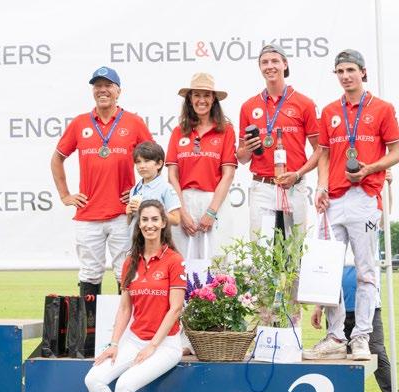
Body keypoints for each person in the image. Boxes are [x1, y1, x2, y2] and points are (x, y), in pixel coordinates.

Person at [75, 200, 186, 392]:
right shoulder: (130, 261)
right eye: (144, 219)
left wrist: (153, 346)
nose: (149, 224)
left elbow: (175, 309)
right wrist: (114, 344)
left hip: (166, 344)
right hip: (134, 340)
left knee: (125, 385)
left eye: (154, 219)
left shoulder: (174, 260)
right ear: (139, 224)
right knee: (94, 379)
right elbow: (125, 308)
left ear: (163, 223)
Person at [305, 49, 399, 361]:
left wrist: (370, 168)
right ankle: (335, 335)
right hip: (333, 198)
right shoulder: (330, 110)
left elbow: (396, 153)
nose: (345, 76)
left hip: (365, 197)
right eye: (340, 71)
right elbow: (324, 154)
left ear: (363, 72)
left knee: (365, 271)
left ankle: (360, 337)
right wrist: (321, 186)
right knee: (328, 269)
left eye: (350, 70)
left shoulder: (383, 108)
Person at [51, 66, 152, 304]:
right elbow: (57, 159)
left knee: (125, 272)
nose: (102, 90)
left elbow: (154, 160)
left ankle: (123, 325)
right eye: (98, 86)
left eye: (108, 85)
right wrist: (65, 195)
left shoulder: (134, 122)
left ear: (119, 91)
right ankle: (89, 327)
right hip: (88, 214)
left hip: (123, 213)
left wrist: (141, 192)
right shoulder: (80, 123)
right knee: (89, 273)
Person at [236, 43, 321, 239]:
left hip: (293, 185)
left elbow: (320, 150)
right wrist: (248, 148)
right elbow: (242, 158)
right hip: (262, 186)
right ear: (260, 67)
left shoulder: (304, 103)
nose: (270, 66)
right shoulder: (249, 106)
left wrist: (298, 174)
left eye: (274, 61)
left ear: (285, 64)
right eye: (264, 62)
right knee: (261, 249)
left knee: (296, 248)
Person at [311, 262, 399, 392]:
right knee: (340, 361)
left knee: (377, 354)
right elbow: (328, 270)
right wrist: (319, 305)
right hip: (337, 309)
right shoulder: (333, 244)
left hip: (369, 310)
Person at [166, 72, 237, 259]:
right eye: (197, 95)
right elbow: (172, 176)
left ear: (213, 99)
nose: (201, 100)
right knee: (183, 261)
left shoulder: (226, 130)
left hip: (214, 200)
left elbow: (228, 174)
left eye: (206, 95)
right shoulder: (178, 131)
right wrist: (181, 212)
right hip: (184, 201)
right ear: (190, 99)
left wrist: (211, 212)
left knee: (216, 261)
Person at [126, 141, 181, 226]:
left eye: (147, 161)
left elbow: (176, 220)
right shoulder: (134, 189)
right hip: (136, 234)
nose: (142, 166)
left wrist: (146, 210)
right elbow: (131, 223)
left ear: (159, 164)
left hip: (156, 234)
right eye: (138, 162)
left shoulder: (166, 188)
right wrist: (129, 214)